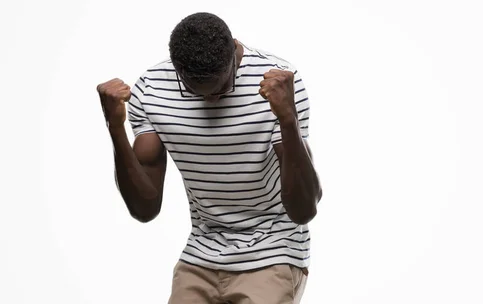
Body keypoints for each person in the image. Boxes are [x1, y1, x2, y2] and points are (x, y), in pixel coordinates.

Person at [96, 12, 322, 304]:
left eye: (220, 87)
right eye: (195, 91)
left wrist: (288, 119)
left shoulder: (279, 81)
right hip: (201, 255)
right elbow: (144, 208)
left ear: (233, 53)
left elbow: (303, 210)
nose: (211, 100)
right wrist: (115, 129)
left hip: (273, 250)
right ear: (177, 71)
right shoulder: (153, 89)